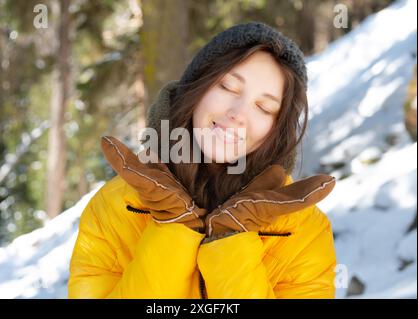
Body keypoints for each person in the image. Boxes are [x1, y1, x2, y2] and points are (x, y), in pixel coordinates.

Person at [67, 22, 337, 299]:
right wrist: (173, 229)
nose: (238, 113)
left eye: (263, 107)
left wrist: (231, 242)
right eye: (228, 87)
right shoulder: (115, 207)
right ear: (196, 88)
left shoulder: (305, 231)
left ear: (278, 129)